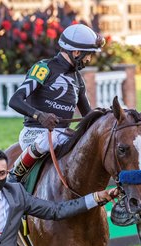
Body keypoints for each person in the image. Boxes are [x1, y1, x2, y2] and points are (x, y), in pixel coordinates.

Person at [8, 23, 105, 181]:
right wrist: (40, 116)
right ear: (76, 52)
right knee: (49, 140)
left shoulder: (78, 79)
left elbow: (88, 116)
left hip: (62, 134)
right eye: (89, 54)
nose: (89, 59)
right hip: (34, 133)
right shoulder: (43, 68)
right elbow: (15, 100)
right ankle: (14, 176)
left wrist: (106, 116)